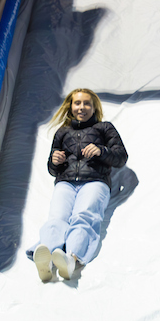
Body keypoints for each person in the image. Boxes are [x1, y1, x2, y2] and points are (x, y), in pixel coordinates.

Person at [31, 88, 128, 282]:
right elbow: (52, 168)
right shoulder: (62, 132)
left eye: (86, 103)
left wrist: (101, 150)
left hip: (95, 182)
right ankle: (47, 256)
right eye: (77, 103)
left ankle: (72, 258)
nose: (81, 107)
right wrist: (54, 161)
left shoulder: (104, 128)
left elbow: (121, 157)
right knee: (57, 217)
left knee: (85, 215)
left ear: (94, 108)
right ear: (70, 106)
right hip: (65, 182)